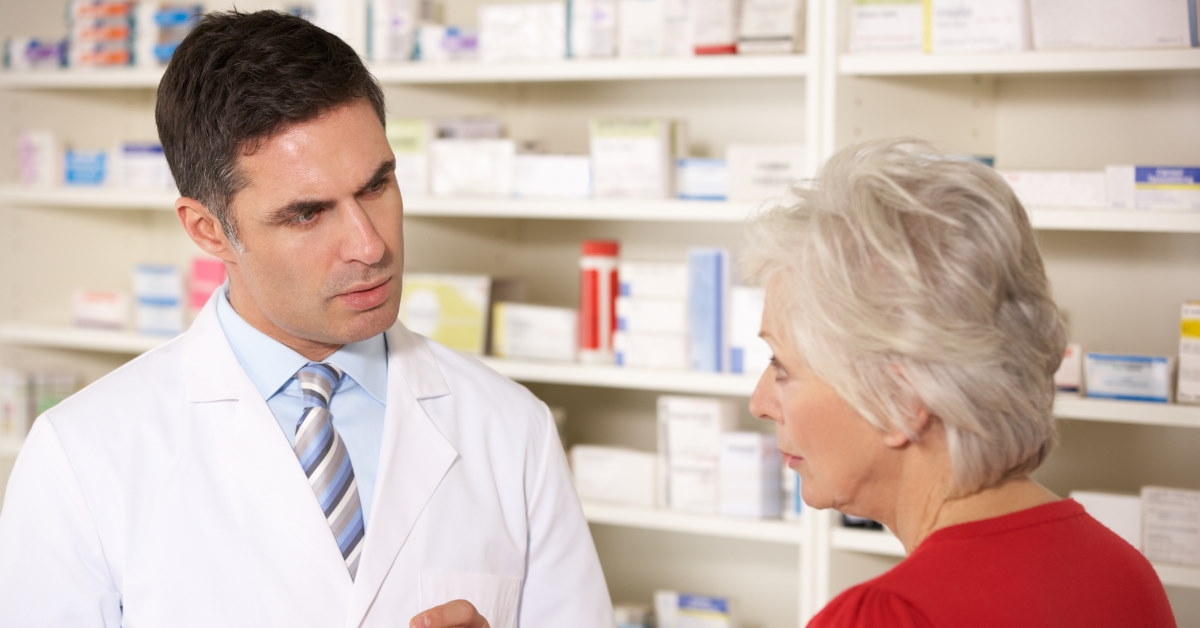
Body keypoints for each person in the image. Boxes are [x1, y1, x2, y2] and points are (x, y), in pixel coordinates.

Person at [0, 10, 612, 628]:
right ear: (209, 230)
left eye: (377, 186)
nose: (369, 246)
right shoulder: (81, 455)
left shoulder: (512, 429)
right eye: (307, 214)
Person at [744, 138, 1176, 627]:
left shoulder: (890, 617)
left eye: (782, 366)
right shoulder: (1120, 570)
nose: (760, 403)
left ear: (902, 400)